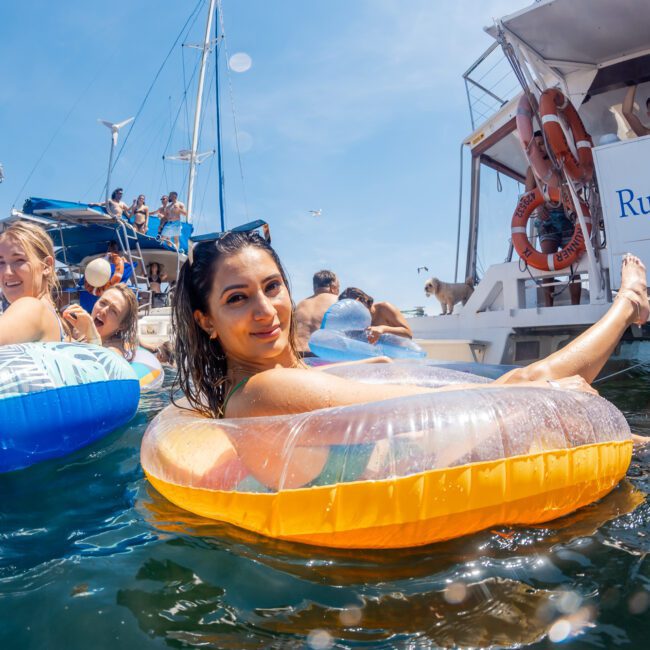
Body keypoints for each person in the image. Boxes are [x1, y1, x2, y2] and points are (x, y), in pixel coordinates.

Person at [172, 231, 649, 424]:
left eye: (272, 287)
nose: (266, 310)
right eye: (237, 298)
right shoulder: (263, 391)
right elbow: (443, 406)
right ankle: (628, 304)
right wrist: (545, 396)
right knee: (527, 381)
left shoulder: (254, 386)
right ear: (205, 320)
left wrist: (368, 369)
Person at [525, 130, 581, 306]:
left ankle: (576, 306)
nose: (540, 148)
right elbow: (529, 195)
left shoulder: (559, 164)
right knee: (547, 263)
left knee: (573, 262)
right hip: (546, 219)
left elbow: (572, 187)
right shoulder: (531, 169)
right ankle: (549, 307)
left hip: (566, 216)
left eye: (543, 143)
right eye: (537, 144)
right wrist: (539, 206)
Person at [0, 221, 68, 345]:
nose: (7, 272)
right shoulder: (52, 316)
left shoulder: (31, 307)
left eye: (19, 260)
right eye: (1, 263)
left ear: (47, 266)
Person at [62, 283, 139, 360]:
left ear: (122, 325)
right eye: (103, 303)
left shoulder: (114, 352)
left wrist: (92, 336)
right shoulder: (79, 333)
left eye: (113, 311)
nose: (103, 311)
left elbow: (98, 365)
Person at [338, 286, 413, 343]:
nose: (353, 314)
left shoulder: (384, 308)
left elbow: (408, 334)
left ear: (362, 300)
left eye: (354, 309)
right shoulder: (355, 321)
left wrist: (383, 328)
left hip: (396, 356)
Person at [294, 270, 339, 355]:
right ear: (333, 287)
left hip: (295, 353)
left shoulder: (300, 304)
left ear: (314, 287)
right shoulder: (337, 301)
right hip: (317, 355)